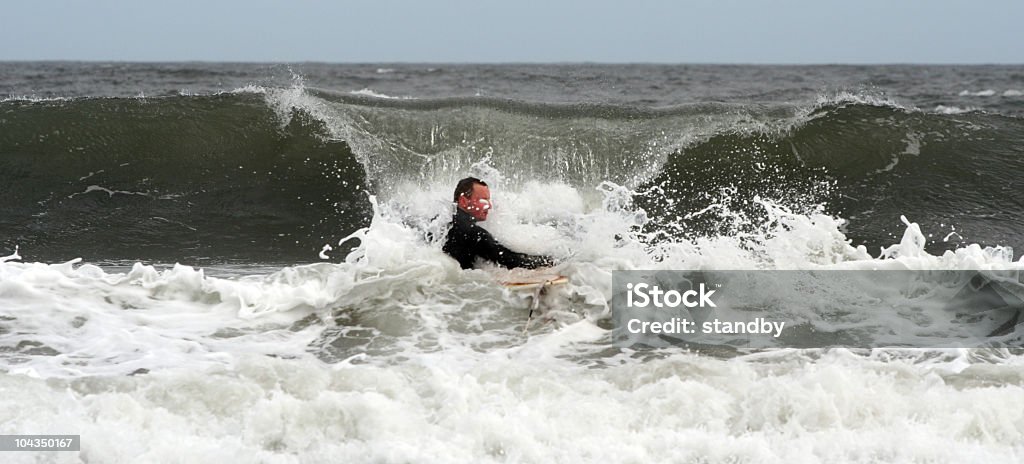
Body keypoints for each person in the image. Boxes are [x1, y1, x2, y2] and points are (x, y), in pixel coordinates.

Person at [442, 177, 554, 270]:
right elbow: (508, 259)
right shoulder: (472, 233)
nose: (489, 206)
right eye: (483, 200)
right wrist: (548, 261)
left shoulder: (442, 226)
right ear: (463, 201)